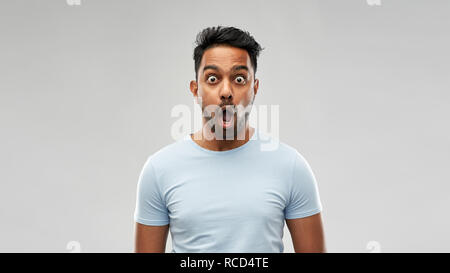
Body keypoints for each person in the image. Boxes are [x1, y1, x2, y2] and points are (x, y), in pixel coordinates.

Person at [134, 26, 326, 253]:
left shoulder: (291, 167)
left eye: (239, 78)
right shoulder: (159, 170)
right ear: (196, 90)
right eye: (213, 78)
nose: (226, 91)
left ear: (254, 88)